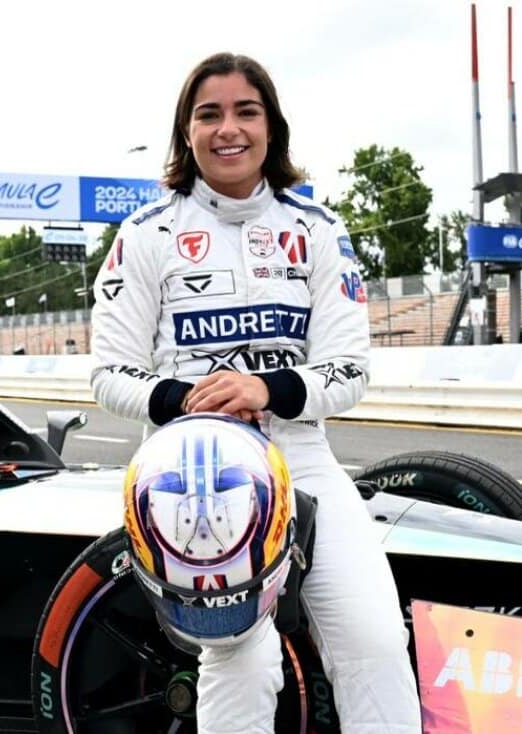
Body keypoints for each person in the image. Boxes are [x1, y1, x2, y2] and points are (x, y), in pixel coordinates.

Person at [90, 52, 420, 733]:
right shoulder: (146, 233)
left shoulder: (318, 229)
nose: (228, 129)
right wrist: (189, 400)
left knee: (376, 640)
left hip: (304, 461)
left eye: (246, 111)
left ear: (272, 127)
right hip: (192, 476)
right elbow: (110, 375)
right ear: (186, 132)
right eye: (208, 114)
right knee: (242, 656)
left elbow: (349, 370)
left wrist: (262, 389)